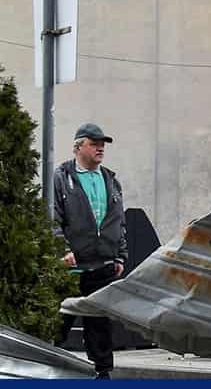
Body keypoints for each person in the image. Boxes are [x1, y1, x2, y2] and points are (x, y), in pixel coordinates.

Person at [53, 123, 128, 380]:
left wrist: (120, 254)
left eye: (102, 144)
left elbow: (119, 221)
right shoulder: (62, 177)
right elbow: (53, 217)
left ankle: (102, 371)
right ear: (78, 147)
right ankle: (49, 365)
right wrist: (61, 248)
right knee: (61, 319)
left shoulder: (110, 179)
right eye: (94, 143)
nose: (100, 148)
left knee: (100, 323)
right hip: (71, 265)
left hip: (104, 264)